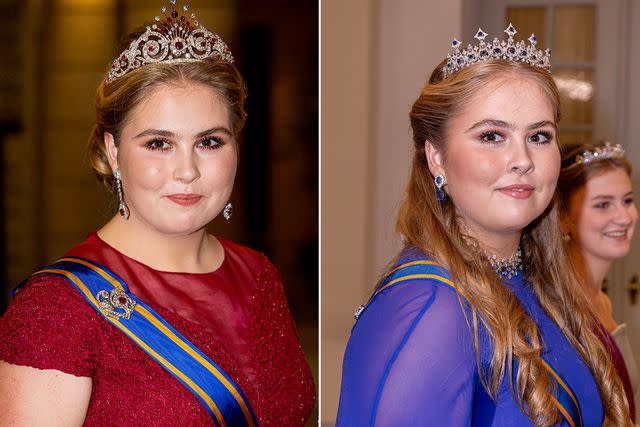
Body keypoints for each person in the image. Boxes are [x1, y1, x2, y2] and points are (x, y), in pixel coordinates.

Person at [0, 2, 315, 426]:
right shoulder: (58, 308)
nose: (187, 171)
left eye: (209, 142)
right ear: (113, 152)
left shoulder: (259, 274)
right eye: (158, 144)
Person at [337, 25, 631, 426]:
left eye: (540, 136)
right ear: (436, 157)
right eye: (492, 135)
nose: (522, 159)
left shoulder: (545, 287)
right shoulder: (430, 309)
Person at [559, 141, 639, 422]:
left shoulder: (601, 301)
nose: (624, 217)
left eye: (627, 200)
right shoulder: (559, 309)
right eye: (603, 204)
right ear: (563, 217)